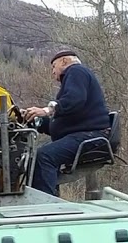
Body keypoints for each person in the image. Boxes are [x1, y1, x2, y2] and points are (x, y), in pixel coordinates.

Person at [21, 50, 112, 196]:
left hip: (90, 136)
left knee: (44, 157)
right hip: (84, 134)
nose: (53, 72)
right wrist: (34, 120)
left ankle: (44, 208)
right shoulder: (77, 76)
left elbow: (73, 100)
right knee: (39, 156)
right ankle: (50, 200)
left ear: (64, 61)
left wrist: (46, 110)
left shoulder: (76, 71)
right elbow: (63, 121)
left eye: (53, 67)